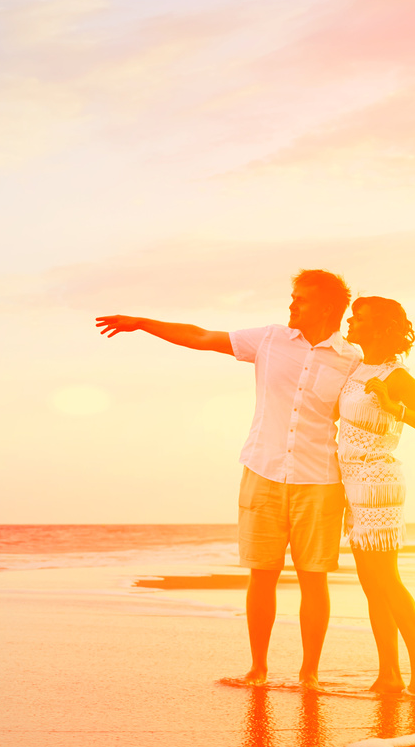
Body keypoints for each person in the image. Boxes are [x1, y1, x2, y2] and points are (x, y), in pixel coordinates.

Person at [97, 270, 359, 688]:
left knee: (314, 578)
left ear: (327, 307)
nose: (291, 305)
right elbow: (200, 337)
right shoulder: (270, 339)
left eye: (301, 300)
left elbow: (371, 412)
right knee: (262, 572)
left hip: (321, 481)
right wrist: (143, 323)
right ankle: (258, 668)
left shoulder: (352, 359)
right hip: (263, 470)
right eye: (292, 297)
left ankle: (309, 674)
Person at [338, 297, 415, 695]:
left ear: (381, 327)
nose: (351, 321)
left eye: (360, 317)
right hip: (353, 486)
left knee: (386, 580)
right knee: (372, 586)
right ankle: (389, 673)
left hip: (378, 483)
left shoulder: (396, 376)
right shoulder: (355, 365)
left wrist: (394, 408)